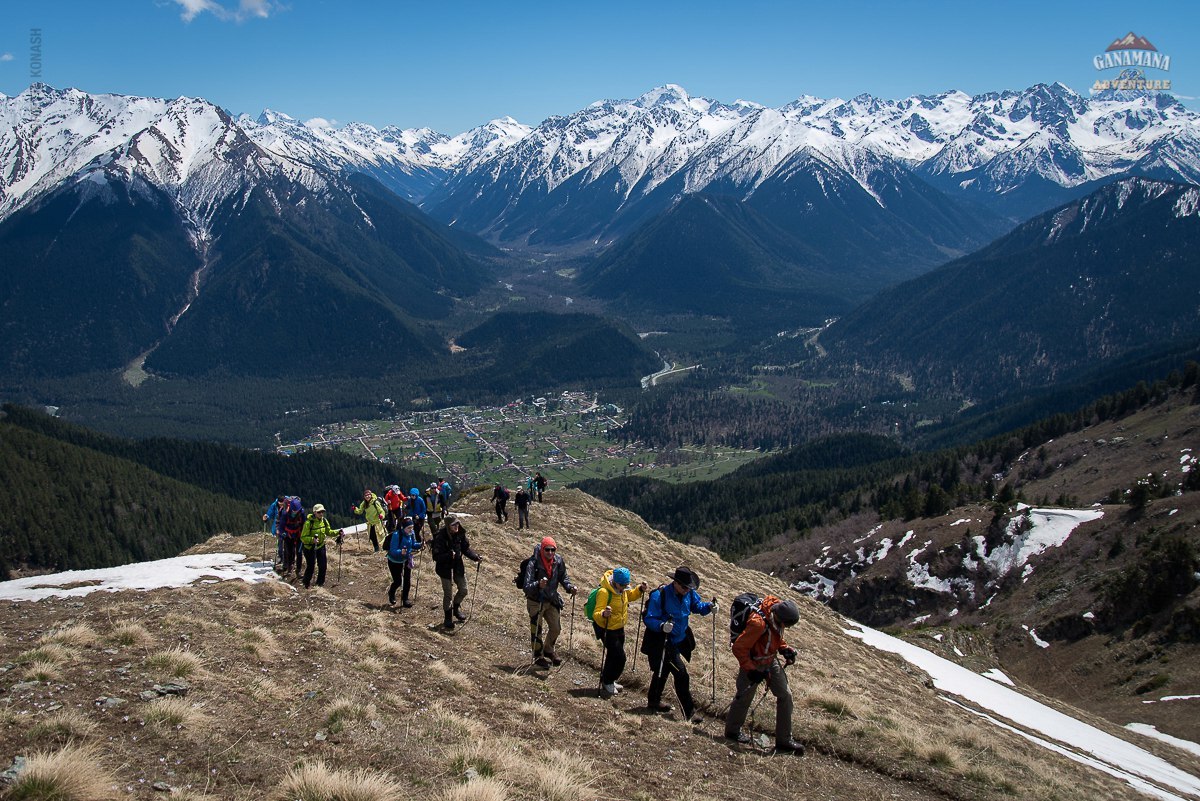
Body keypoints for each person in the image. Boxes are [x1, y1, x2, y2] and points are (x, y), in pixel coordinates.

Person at [724, 597, 804, 755]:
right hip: (753, 663)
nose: (786, 627)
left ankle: (784, 740)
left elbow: (775, 635)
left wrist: (783, 648)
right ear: (781, 619)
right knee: (744, 697)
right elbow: (739, 648)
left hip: (769, 659)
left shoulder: (775, 615)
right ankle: (732, 731)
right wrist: (750, 669)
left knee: (785, 695)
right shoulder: (758, 624)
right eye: (787, 625)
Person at [641, 566, 716, 722]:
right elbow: (649, 618)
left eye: (689, 587)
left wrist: (709, 607)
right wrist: (662, 626)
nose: (687, 590)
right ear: (675, 582)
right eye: (684, 586)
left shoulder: (689, 593)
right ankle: (689, 712)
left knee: (663, 670)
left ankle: (653, 701)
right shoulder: (659, 596)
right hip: (663, 641)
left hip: (678, 639)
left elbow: (697, 607)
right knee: (681, 674)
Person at [591, 567, 647, 695]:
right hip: (607, 629)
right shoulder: (605, 592)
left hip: (619, 628)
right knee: (620, 657)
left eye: (626, 584)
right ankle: (608, 681)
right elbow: (596, 613)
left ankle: (608, 680)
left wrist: (639, 590)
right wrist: (604, 614)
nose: (624, 587)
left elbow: (630, 595)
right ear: (615, 581)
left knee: (612, 656)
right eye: (622, 585)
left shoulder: (622, 590)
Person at [522, 536, 577, 666]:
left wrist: (569, 588)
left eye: (553, 550)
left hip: (551, 600)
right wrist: (538, 584)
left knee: (556, 628)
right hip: (536, 601)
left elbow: (563, 577)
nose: (550, 552)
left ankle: (548, 650)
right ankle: (538, 656)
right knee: (537, 630)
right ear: (542, 549)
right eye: (547, 549)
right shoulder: (533, 563)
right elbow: (526, 586)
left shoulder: (558, 561)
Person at [430, 516, 482, 630]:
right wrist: (449, 555)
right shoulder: (440, 537)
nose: (457, 526)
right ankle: (448, 618)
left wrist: (475, 557)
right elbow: (436, 556)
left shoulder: (460, 534)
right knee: (448, 593)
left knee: (464, 590)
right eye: (454, 525)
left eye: (457, 524)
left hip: (457, 566)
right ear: (448, 526)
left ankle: (456, 608)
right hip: (444, 569)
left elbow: (465, 548)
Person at [300, 503, 343, 589]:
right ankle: (306, 583)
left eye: (322, 512)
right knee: (311, 566)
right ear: (315, 512)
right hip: (309, 548)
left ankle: (320, 583)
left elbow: (328, 532)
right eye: (319, 512)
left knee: (323, 566)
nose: (321, 514)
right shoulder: (309, 523)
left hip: (321, 545)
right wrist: (312, 540)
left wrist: (338, 532)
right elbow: (303, 537)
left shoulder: (324, 521)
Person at [386, 517, 423, 608]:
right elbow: (393, 550)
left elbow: (413, 544)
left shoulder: (411, 534)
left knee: (407, 580)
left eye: (412, 527)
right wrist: (401, 552)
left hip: (406, 559)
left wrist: (420, 545)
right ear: (403, 528)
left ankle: (405, 599)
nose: (411, 530)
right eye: (409, 528)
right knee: (398, 581)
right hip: (394, 560)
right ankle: (391, 592)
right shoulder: (396, 535)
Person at [280, 497, 306, 578]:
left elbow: (304, 524)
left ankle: (298, 571)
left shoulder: (302, 513)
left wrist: (303, 534)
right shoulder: (285, 514)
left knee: (299, 553)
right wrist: (284, 534)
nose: (295, 512)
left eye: (296, 511)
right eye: (293, 511)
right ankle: (289, 568)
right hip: (288, 536)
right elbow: (281, 527)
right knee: (290, 552)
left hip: (299, 535)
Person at [263, 495, 287, 568]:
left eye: (282, 504)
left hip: (286, 526)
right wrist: (267, 516)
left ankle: (286, 558)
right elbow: (270, 512)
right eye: (280, 504)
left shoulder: (288, 504)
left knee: (286, 543)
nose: (281, 505)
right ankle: (281, 557)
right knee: (279, 543)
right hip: (278, 526)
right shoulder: (274, 505)